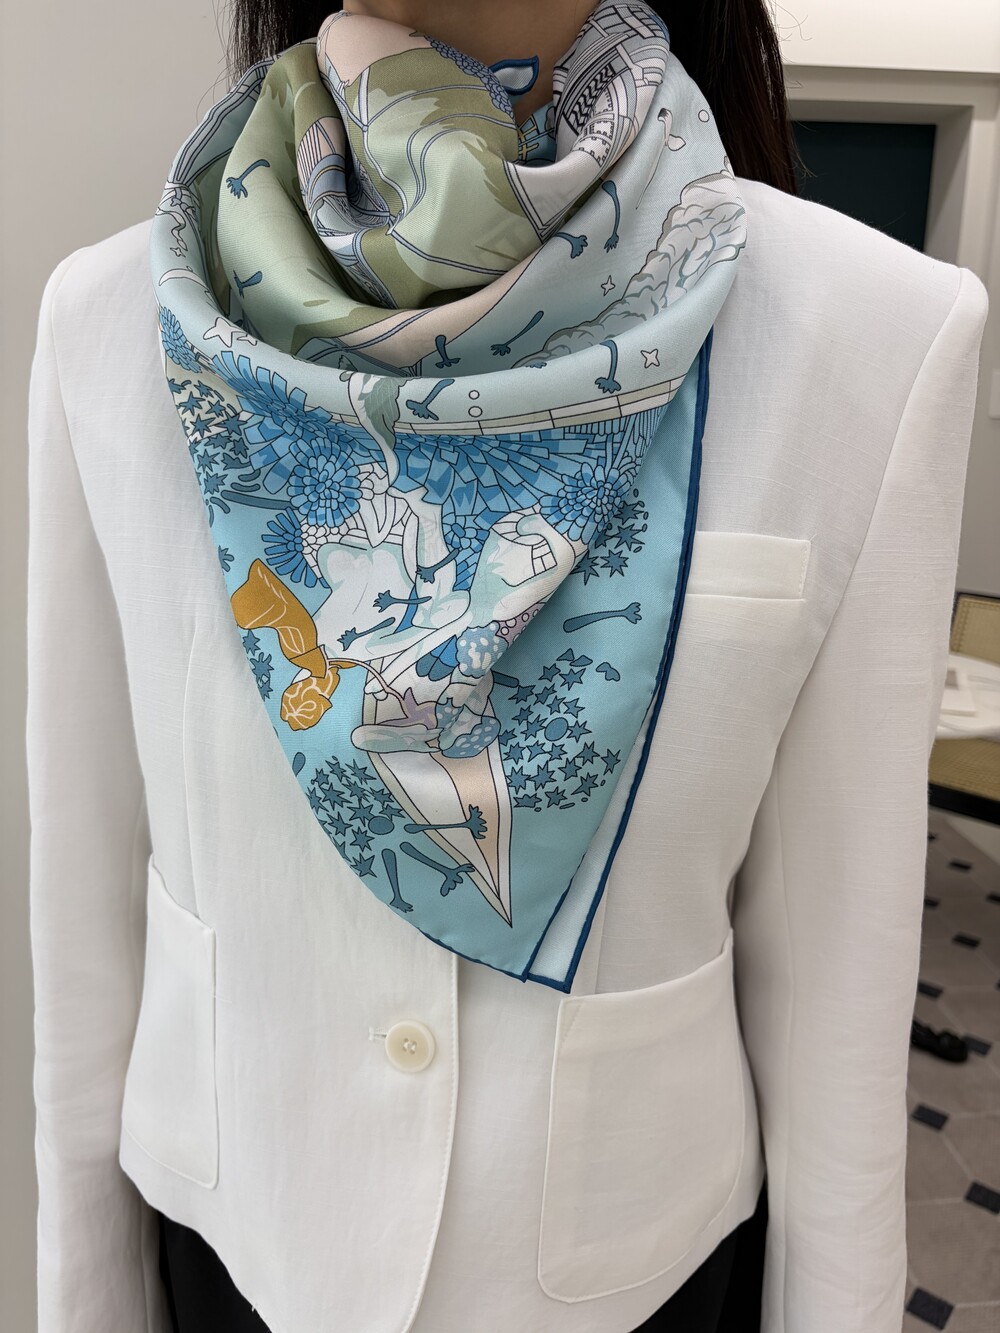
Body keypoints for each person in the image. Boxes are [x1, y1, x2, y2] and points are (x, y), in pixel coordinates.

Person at [25, 1, 988, 1331]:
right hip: (237, 1247)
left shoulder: (874, 335)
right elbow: (84, 907)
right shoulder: (110, 321)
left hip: (631, 1275)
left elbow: (838, 992)